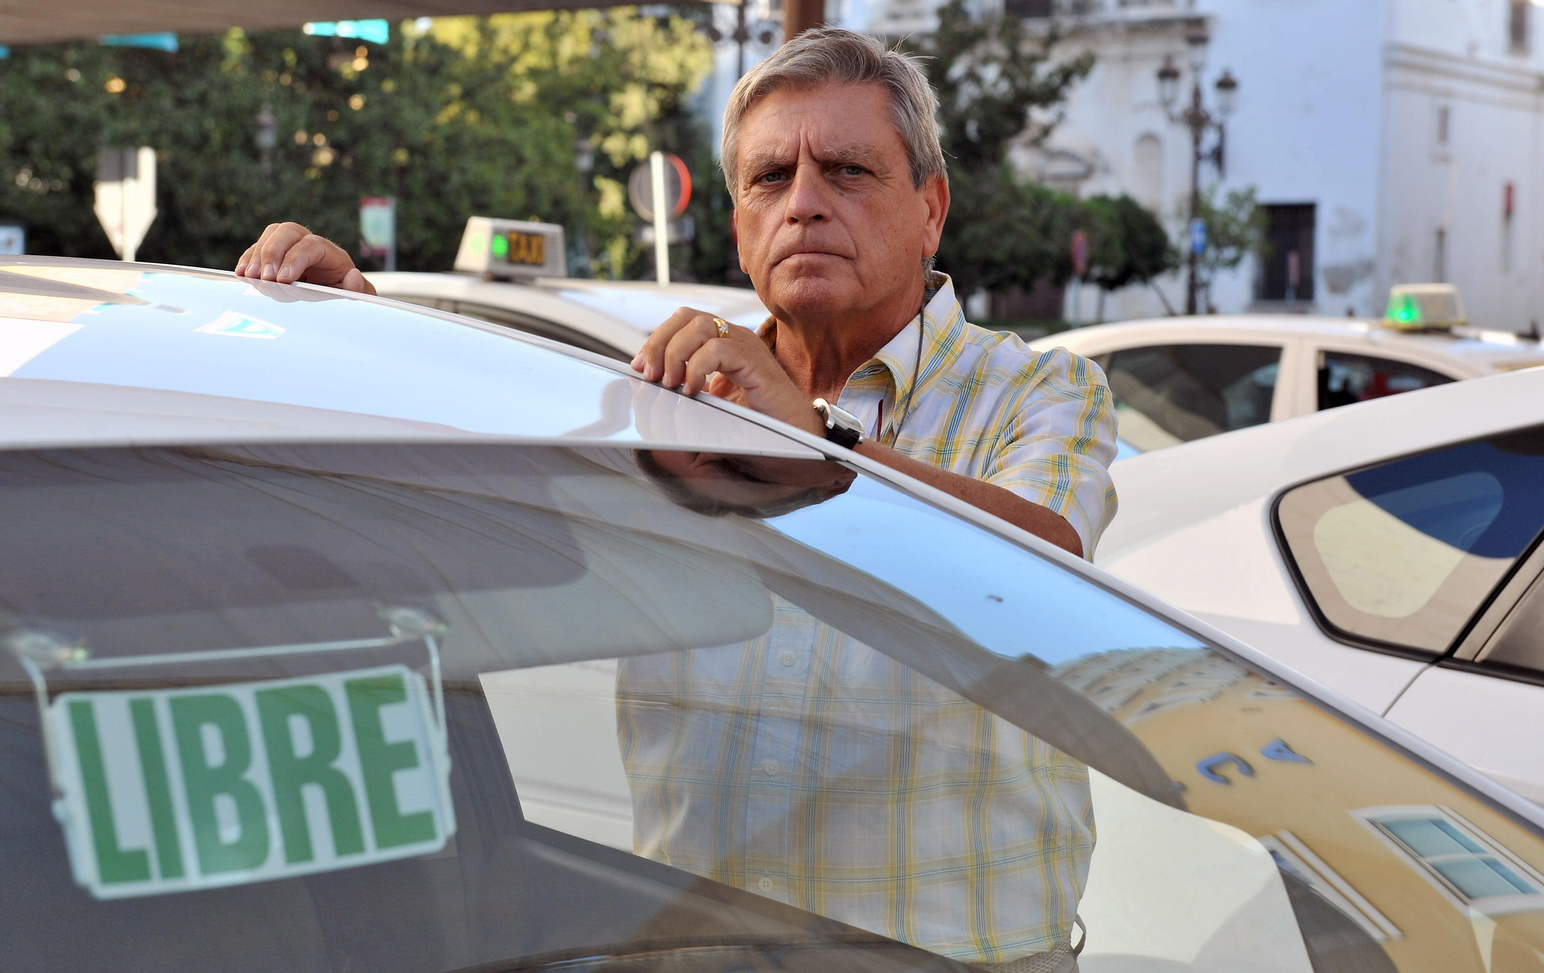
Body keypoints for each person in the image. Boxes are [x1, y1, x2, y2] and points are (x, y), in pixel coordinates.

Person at [237, 28, 1115, 973]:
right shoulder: (675, 400)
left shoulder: (1037, 392)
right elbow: (468, 511)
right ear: (739, 226)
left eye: (849, 171)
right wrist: (355, 337)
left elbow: (1043, 567)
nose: (806, 204)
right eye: (771, 178)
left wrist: (816, 445)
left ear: (931, 208)